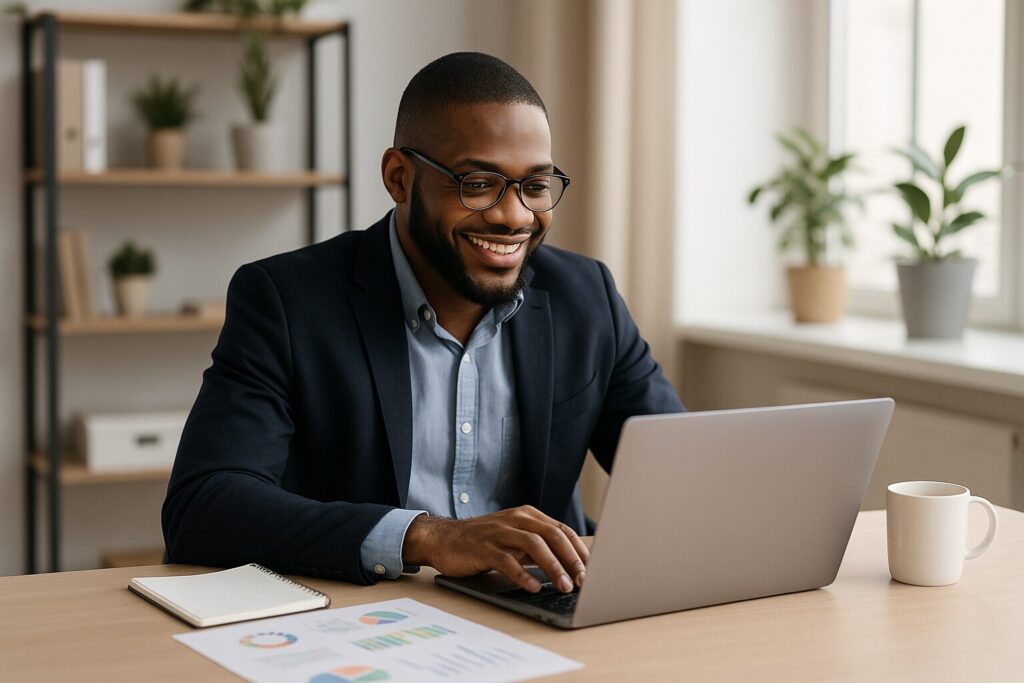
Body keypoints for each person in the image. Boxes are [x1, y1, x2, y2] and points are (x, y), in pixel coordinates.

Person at [162, 52, 684, 595]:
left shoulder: (586, 296)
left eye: (535, 186)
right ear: (399, 178)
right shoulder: (287, 302)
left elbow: (682, 471)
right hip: (360, 624)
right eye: (479, 183)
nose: (514, 217)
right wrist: (430, 537)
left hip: (537, 610)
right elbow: (203, 506)